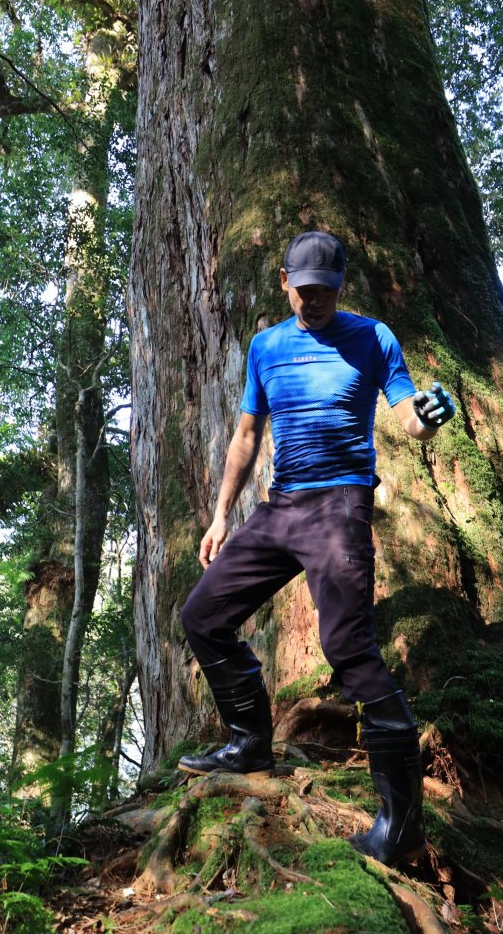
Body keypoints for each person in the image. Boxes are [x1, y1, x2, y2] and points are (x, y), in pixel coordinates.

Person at [179, 230, 456, 866]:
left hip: (341, 504)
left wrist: (428, 412)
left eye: (324, 292)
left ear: (340, 287)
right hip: (281, 508)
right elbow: (248, 434)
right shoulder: (266, 346)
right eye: (303, 291)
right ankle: (250, 741)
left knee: (347, 647)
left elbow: (407, 415)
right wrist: (222, 515)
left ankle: (401, 826)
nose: (313, 302)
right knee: (202, 616)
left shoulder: (373, 338)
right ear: (285, 282)